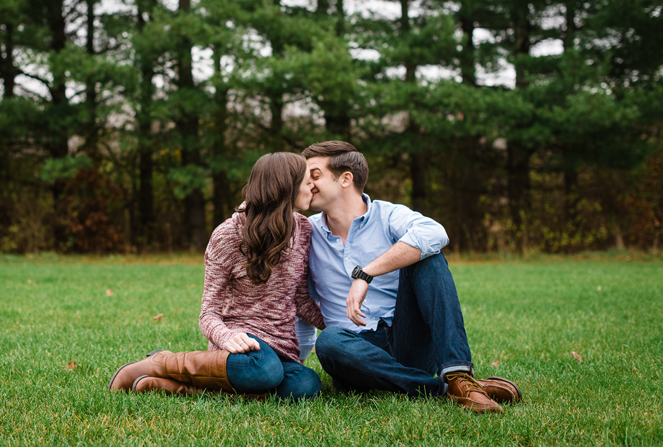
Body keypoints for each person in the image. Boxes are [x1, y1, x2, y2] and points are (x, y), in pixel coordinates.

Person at [299, 141, 522, 414]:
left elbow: (435, 233)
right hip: (354, 355)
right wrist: (295, 363)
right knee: (330, 341)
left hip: (408, 340)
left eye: (315, 174)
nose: (306, 183)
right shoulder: (305, 233)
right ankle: (443, 389)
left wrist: (366, 273)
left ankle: (457, 375)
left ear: (346, 178)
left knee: (428, 254)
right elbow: (300, 300)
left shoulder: (388, 214)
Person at [109, 152, 326, 401]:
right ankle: (162, 362)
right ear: (286, 186)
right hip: (241, 345)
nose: (312, 185)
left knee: (306, 386)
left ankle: (180, 389)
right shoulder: (228, 236)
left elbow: (299, 299)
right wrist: (228, 337)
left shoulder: (304, 230)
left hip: (281, 350)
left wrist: (339, 325)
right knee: (264, 370)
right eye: (306, 180)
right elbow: (208, 314)